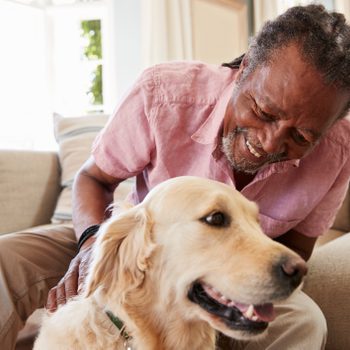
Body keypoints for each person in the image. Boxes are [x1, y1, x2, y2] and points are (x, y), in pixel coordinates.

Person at [1, 4, 350, 350]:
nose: (269, 141)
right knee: (8, 261)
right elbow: (93, 179)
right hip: (134, 240)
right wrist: (92, 244)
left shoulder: (338, 152)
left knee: (304, 322)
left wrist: (226, 289)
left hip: (233, 271)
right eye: (263, 111)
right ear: (245, 69)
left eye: (302, 136)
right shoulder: (164, 92)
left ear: (330, 127)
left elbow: (294, 251)